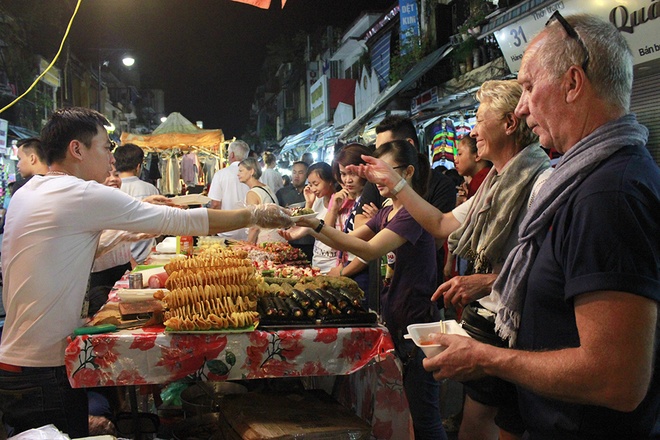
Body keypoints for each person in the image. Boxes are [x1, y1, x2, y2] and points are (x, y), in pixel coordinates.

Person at [424, 14, 659, 438]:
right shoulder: (582, 180)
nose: (520, 105)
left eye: (529, 87)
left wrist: (486, 358)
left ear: (572, 84)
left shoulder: (608, 196)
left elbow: (617, 380)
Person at [0, 107, 292, 438]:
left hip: (17, 362)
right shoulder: (78, 192)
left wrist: (129, 231)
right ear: (76, 150)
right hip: (43, 369)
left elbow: (69, 253)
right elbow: (182, 222)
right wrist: (254, 215)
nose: (111, 158)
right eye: (105, 147)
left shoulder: (28, 192)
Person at [349, 79, 551, 440]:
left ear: (508, 124)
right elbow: (442, 224)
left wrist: (489, 280)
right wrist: (395, 186)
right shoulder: (495, 183)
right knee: (476, 426)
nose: (472, 131)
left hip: (517, 326)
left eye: (478, 118)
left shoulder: (540, 182)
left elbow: (549, 264)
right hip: (488, 319)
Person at [290, 140, 447, 440]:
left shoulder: (412, 215)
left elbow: (366, 249)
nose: (375, 179)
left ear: (408, 172)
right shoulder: (387, 210)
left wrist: (315, 226)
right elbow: (346, 240)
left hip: (418, 325)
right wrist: (311, 223)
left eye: (383, 172)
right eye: (374, 172)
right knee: (404, 412)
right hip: (396, 320)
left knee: (425, 416)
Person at [325, 144, 373, 293]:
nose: (347, 180)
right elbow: (327, 235)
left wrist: (342, 272)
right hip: (348, 268)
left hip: (361, 274)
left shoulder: (369, 202)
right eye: (343, 174)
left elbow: (367, 251)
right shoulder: (354, 199)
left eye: (352, 173)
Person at [114, 143, 160, 264]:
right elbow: (159, 223)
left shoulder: (110, 189)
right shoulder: (150, 190)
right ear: (138, 166)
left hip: (119, 260)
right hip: (145, 257)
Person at [208, 140, 251, 241]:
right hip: (248, 232)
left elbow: (215, 204)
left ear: (231, 155)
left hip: (227, 230)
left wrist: (212, 227)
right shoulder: (253, 175)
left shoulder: (220, 174)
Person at [238, 157, 284, 244]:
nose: (238, 174)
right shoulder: (265, 187)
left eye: (241, 171)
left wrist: (249, 245)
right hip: (277, 237)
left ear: (251, 171)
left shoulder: (252, 193)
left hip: (266, 241)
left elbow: (254, 226)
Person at [276, 161, 314, 260]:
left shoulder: (313, 192)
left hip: (310, 241)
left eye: (300, 172)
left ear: (307, 175)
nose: (296, 176)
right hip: (289, 241)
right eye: (294, 172)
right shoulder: (282, 193)